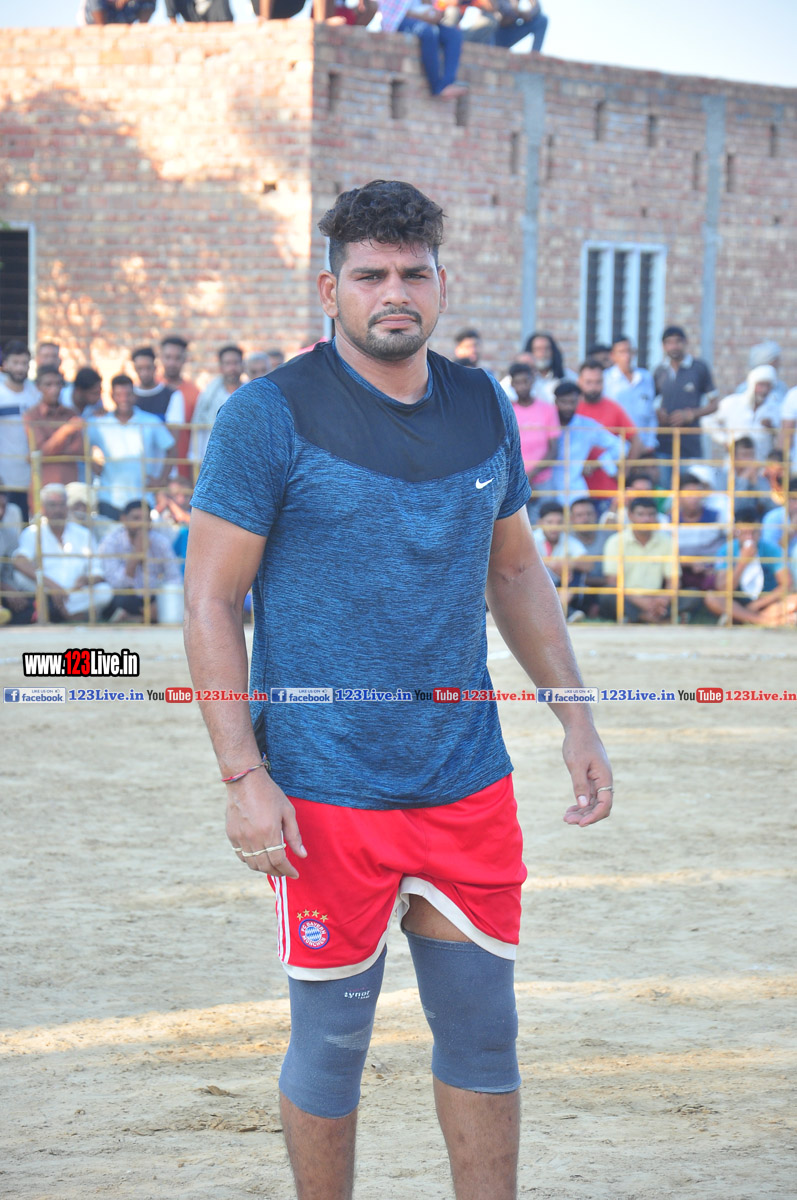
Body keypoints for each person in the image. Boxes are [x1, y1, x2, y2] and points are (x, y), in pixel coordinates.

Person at [184, 179, 612, 1200]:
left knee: (484, 1034)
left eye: (412, 274)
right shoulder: (267, 415)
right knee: (331, 1044)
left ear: (440, 284)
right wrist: (242, 775)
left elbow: (515, 571)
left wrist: (575, 718)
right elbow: (210, 602)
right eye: (370, 274)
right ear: (329, 288)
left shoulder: (481, 403)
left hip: (464, 781)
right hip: (324, 789)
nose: (393, 293)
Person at [12, 483, 113, 623]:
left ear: (67, 507)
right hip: (46, 591)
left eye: (61, 505)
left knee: (104, 591)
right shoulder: (33, 532)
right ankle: (72, 614)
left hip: (74, 593)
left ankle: (61, 613)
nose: (58, 510)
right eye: (52, 505)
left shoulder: (83, 534)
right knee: (21, 578)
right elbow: (20, 561)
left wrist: (87, 579)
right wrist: (52, 586)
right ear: (43, 508)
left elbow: (97, 570)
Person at [88, 374, 175, 520]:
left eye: (128, 394)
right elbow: (81, 445)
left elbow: (171, 449)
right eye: (119, 395)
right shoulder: (99, 423)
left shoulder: (150, 421)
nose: (124, 399)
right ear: (112, 396)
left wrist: (161, 480)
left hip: (142, 499)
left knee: (142, 535)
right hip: (108, 498)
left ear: (134, 396)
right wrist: (93, 465)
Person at [705, 503, 794, 626]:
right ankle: (764, 620)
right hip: (737, 603)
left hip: (767, 602)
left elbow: (786, 584)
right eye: (744, 533)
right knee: (712, 598)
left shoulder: (772, 549)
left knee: (793, 599)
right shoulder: (726, 550)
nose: (749, 538)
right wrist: (742, 563)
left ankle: (745, 618)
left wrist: (757, 604)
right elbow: (723, 588)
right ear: (735, 532)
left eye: (754, 533)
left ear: (760, 531)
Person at [99, 500, 182, 621]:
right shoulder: (111, 542)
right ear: (124, 519)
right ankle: (142, 618)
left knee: (171, 596)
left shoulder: (161, 543)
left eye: (145, 519)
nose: (141, 523)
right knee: (118, 598)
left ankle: (135, 618)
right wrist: (136, 554)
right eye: (136, 518)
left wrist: (158, 601)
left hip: (152, 596)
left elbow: (174, 578)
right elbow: (115, 584)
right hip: (125, 596)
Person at [601, 495, 676, 623]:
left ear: (656, 517)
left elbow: (673, 580)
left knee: (692, 594)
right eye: (641, 514)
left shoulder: (667, 541)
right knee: (608, 595)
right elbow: (613, 581)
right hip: (628, 598)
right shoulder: (615, 541)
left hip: (657, 598)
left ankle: (643, 617)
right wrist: (640, 601)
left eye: (651, 514)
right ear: (630, 516)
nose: (646, 519)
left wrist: (663, 599)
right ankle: (649, 617)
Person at [653, 325, 718, 474]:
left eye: (677, 341)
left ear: (685, 342)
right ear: (663, 346)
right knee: (664, 487)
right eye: (669, 342)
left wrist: (691, 414)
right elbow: (647, 401)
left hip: (690, 444)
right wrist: (657, 413)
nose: (674, 346)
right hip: (663, 443)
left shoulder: (699, 368)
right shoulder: (660, 371)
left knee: (690, 486)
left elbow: (714, 404)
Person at [576, 359, 641, 506]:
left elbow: (636, 441)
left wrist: (625, 472)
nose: (593, 387)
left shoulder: (613, 408)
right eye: (588, 382)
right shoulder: (571, 410)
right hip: (576, 491)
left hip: (608, 490)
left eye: (598, 382)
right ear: (579, 381)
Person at [550, 380, 622, 507]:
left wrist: (598, 463)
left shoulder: (587, 426)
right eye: (563, 402)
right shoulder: (545, 424)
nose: (568, 407)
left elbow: (620, 446)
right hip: (545, 490)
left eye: (572, 402)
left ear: (579, 401)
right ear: (556, 402)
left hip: (575, 493)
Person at [379, 0, 467, 100]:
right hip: (399, 20)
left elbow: (431, 7)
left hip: (424, 21)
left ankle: (448, 84)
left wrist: (435, 15)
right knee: (428, 32)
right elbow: (394, 11)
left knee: (454, 35)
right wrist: (419, 16)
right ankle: (437, 87)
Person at [23, 366, 85, 495]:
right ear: (38, 387)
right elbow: (40, 452)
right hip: (44, 485)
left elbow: (79, 450)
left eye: (58, 384)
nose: (55, 389)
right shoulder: (32, 415)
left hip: (70, 483)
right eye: (48, 384)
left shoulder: (71, 413)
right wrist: (65, 431)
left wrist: (51, 448)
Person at [507, 361, 558, 510]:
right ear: (512, 385)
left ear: (532, 381)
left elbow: (554, 450)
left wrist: (531, 475)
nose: (522, 386)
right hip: (515, 482)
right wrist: (523, 478)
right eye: (518, 383)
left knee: (547, 520)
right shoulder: (508, 410)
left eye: (526, 381)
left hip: (544, 480)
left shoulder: (548, 409)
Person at [702, 365, 780, 463]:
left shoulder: (775, 408)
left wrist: (772, 428)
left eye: (768, 386)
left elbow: (783, 437)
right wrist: (724, 440)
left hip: (761, 464)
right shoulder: (733, 402)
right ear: (752, 385)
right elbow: (708, 420)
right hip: (733, 464)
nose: (764, 390)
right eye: (761, 385)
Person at [0, 341, 41, 523]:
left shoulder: (36, 395)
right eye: (15, 363)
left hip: (32, 478)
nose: (20, 368)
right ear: (5, 364)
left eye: (24, 363)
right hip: (4, 477)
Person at [190, 345, 245, 467]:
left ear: (242, 366)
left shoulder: (250, 394)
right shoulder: (208, 396)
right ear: (221, 367)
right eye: (228, 363)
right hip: (213, 461)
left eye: (236, 363)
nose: (232, 368)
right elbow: (198, 429)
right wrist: (196, 460)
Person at [603, 336, 658, 454]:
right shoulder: (605, 379)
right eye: (622, 352)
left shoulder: (645, 377)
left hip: (644, 446)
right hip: (615, 448)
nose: (626, 356)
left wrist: (650, 443)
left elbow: (651, 413)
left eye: (629, 351)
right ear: (612, 356)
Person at [160, 336, 199, 473]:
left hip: (183, 468)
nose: (172, 362)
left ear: (184, 360)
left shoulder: (194, 393)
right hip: (154, 468)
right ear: (161, 358)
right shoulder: (152, 389)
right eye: (168, 357)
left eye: (177, 358)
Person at [523, 331, 576, 403]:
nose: (543, 353)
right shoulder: (520, 379)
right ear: (530, 352)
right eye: (538, 349)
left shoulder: (568, 376)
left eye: (546, 348)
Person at [84, 0, 155, 22]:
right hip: (104, 14)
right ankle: (100, 33)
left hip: (123, 13)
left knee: (149, 2)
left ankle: (140, 34)